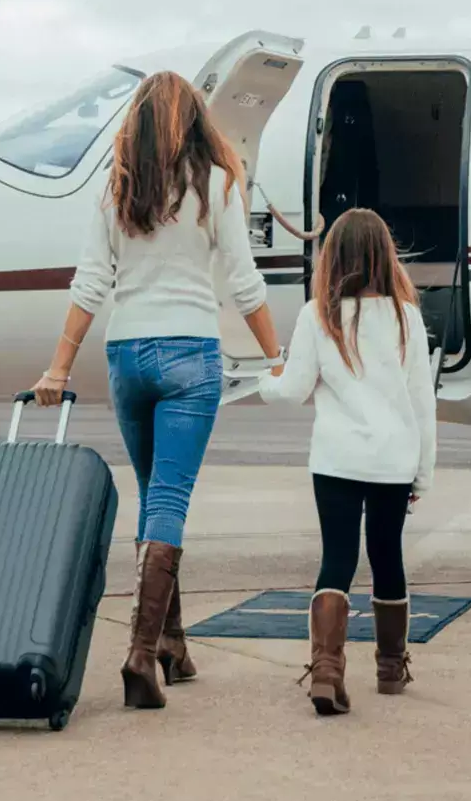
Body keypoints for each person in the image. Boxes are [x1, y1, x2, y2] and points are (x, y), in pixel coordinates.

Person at [30, 70, 284, 710]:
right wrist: (276, 357)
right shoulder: (217, 184)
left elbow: (91, 283)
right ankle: (140, 655)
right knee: (168, 499)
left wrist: (58, 369)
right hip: (190, 354)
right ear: (195, 121)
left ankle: (171, 642)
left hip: (127, 355)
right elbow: (244, 283)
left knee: (153, 498)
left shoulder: (116, 188)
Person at [257, 207, 437, 716]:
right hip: (393, 462)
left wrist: (264, 380)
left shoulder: (318, 315)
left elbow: (292, 389)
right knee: (387, 556)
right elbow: (422, 403)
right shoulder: (407, 317)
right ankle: (390, 668)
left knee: (336, 557)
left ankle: (327, 670)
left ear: (333, 256)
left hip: (336, 459)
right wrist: (423, 473)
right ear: (385, 256)